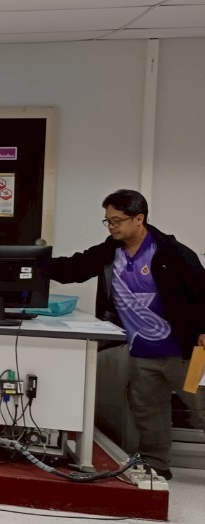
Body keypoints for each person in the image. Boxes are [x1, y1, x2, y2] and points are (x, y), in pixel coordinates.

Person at [51, 189, 205, 481]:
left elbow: (201, 292)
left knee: (202, 407)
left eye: (117, 221)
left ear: (139, 219)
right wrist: (33, 264)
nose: (111, 227)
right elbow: (73, 268)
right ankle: (156, 464)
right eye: (107, 221)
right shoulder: (111, 251)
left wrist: (203, 330)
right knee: (148, 411)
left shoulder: (172, 253)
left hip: (185, 352)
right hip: (142, 352)